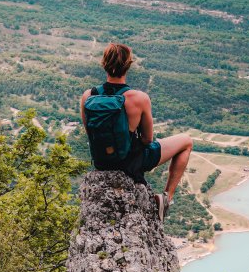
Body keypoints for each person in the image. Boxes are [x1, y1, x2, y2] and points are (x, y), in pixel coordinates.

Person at [80, 43, 193, 221]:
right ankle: (167, 198)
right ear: (128, 65)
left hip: (101, 162)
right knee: (186, 141)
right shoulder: (139, 98)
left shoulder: (88, 96)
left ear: (104, 64)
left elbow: (90, 132)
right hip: (131, 164)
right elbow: (148, 139)